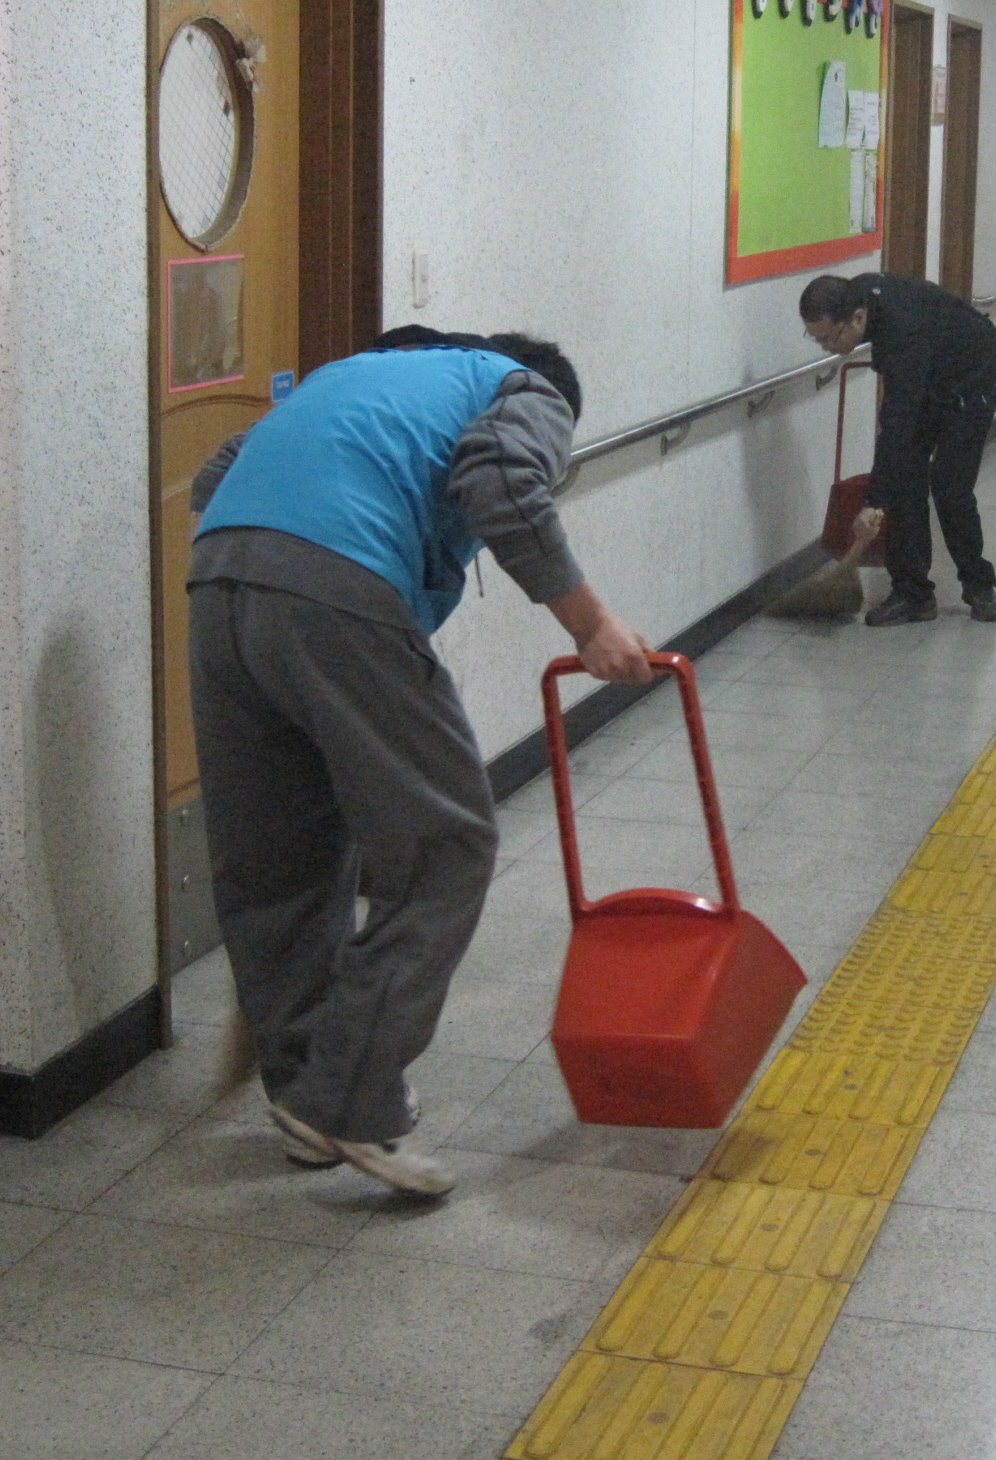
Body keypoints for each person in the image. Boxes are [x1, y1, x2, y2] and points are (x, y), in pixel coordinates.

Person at [185, 327, 653, 1195]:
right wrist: (590, 621)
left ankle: (301, 1097)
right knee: (446, 842)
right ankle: (353, 1099)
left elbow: (217, 478)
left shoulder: (353, 375)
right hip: (335, 582)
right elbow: (503, 482)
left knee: (280, 858)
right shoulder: (527, 389)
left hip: (220, 587)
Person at [800, 271, 996, 626]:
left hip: (972, 379)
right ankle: (913, 595)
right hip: (928, 375)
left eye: (829, 338)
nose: (827, 348)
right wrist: (881, 496)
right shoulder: (859, 294)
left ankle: (979, 585)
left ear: (858, 319)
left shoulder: (903, 333)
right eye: (816, 339)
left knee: (950, 486)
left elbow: (898, 422)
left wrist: (871, 504)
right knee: (905, 480)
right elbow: (901, 425)